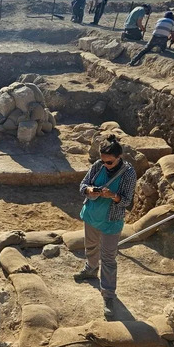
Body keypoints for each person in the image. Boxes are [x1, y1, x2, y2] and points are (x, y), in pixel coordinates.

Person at [73, 134, 137, 318]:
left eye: (109, 162)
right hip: (92, 215)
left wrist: (113, 196)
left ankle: (108, 296)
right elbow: (82, 185)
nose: (106, 165)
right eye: (103, 161)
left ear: (119, 158)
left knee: (108, 258)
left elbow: (126, 201)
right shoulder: (98, 166)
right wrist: (89, 190)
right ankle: (91, 269)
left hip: (111, 220)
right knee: (91, 246)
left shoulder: (129, 173)